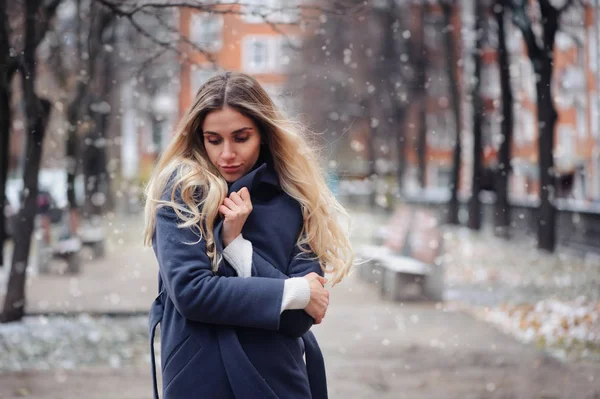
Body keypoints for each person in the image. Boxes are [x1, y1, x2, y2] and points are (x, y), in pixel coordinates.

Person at [143, 71, 354, 399]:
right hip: (201, 379)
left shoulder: (293, 198)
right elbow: (192, 293)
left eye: (241, 137)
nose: (227, 153)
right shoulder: (182, 193)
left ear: (264, 135)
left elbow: (300, 320)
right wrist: (294, 290)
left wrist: (236, 247)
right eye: (214, 139)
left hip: (277, 380)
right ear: (200, 137)